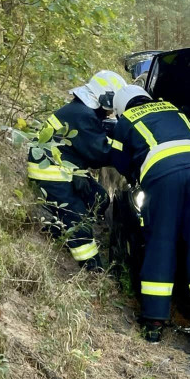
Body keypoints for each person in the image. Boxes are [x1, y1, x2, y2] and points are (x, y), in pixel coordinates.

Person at [109, 84, 190, 352]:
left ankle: (154, 325)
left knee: (161, 243)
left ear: (121, 107)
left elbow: (118, 162)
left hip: (163, 177)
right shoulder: (176, 111)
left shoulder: (126, 120)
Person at [27, 70, 127, 270]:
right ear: (104, 98)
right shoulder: (83, 116)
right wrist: (126, 148)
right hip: (52, 173)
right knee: (78, 218)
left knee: (99, 198)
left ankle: (63, 228)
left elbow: (88, 142)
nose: (110, 112)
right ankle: (91, 268)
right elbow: (100, 153)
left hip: (65, 168)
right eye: (111, 107)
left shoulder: (80, 111)